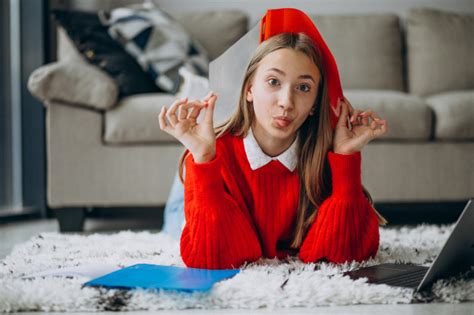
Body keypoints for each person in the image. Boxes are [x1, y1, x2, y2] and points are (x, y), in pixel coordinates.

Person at [158, 8, 388, 270]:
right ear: (249, 90)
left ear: (314, 103)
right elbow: (211, 257)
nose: (286, 103)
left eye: (303, 88)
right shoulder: (211, 155)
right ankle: (198, 90)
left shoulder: (324, 156)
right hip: (205, 182)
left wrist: (346, 158)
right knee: (175, 229)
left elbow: (350, 254)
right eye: (273, 82)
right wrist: (203, 158)